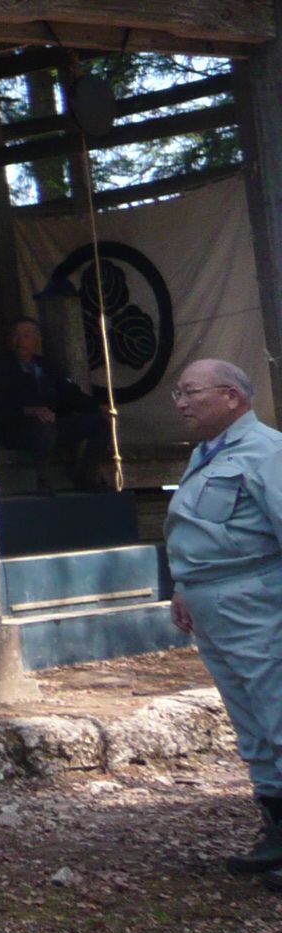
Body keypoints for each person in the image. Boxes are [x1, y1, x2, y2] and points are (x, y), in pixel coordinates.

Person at [162, 358, 282, 883]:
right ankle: (275, 829)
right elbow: (200, 531)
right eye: (178, 393)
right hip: (214, 609)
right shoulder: (206, 454)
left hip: (259, 603)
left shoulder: (267, 453)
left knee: (278, 711)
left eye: (191, 392)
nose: (182, 402)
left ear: (231, 397)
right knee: (251, 722)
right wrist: (185, 588)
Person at [0, 317, 108, 492]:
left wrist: (98, 407)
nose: (20, 341)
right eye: (15, 336)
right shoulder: (0, 368)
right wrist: (30, 410)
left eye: (26, 336)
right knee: (44, 425)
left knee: (100, 423)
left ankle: (87, 476)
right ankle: (43, 479)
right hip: (18, 430)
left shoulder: (46, 366)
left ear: (37, 341)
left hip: (52, 427)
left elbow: (71, 394)